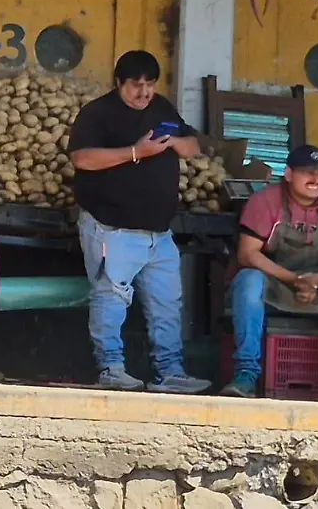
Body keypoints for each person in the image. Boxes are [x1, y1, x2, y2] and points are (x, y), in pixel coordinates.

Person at [67, 50, 211, 394]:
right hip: (112, 228)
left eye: (149, 85)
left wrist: (173, 141)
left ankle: (170, 372)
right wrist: (136, 152)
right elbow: (82, 158)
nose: (144, 92)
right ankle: (110, 367)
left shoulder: (161, 108)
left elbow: (193, 146)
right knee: (111, 298)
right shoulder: (98, 113)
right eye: (136, 85)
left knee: (167, 304)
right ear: (119, 83)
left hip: (159, 234)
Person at [222, 145, 318, 399]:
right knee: (248, 279)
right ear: (289, 174)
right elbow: (248, 254)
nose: (315, 179)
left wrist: (317, 280)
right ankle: (246, 375)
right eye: (307, 172)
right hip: (274, 287)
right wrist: (293, 280)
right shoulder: (265, 201)